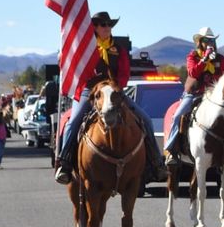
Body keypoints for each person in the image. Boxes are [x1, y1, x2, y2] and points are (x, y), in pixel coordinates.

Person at [55, 12, 163, 185]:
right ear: (95, 28)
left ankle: (156, 163)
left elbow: (124, 73)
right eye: (103, 25)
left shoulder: (118, 49)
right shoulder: (86, 49)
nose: (107, 28)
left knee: (145, 119)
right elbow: (75, 67)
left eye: (109, 25)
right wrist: (64, 58)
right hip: (89, 91)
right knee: (73, 122)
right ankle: (65, 164)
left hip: (113, 92)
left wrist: (115, 86)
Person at [164, 27, 224, 164]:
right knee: (178, 115)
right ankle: (172, 150)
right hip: (194, 94)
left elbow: (222, 77)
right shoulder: (192, 56)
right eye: (206, 40)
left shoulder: (220, 59)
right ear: (200, 42)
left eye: (212, 41)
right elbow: (193, 73)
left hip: (214, 96)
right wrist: (204, 59)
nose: (209, 43)